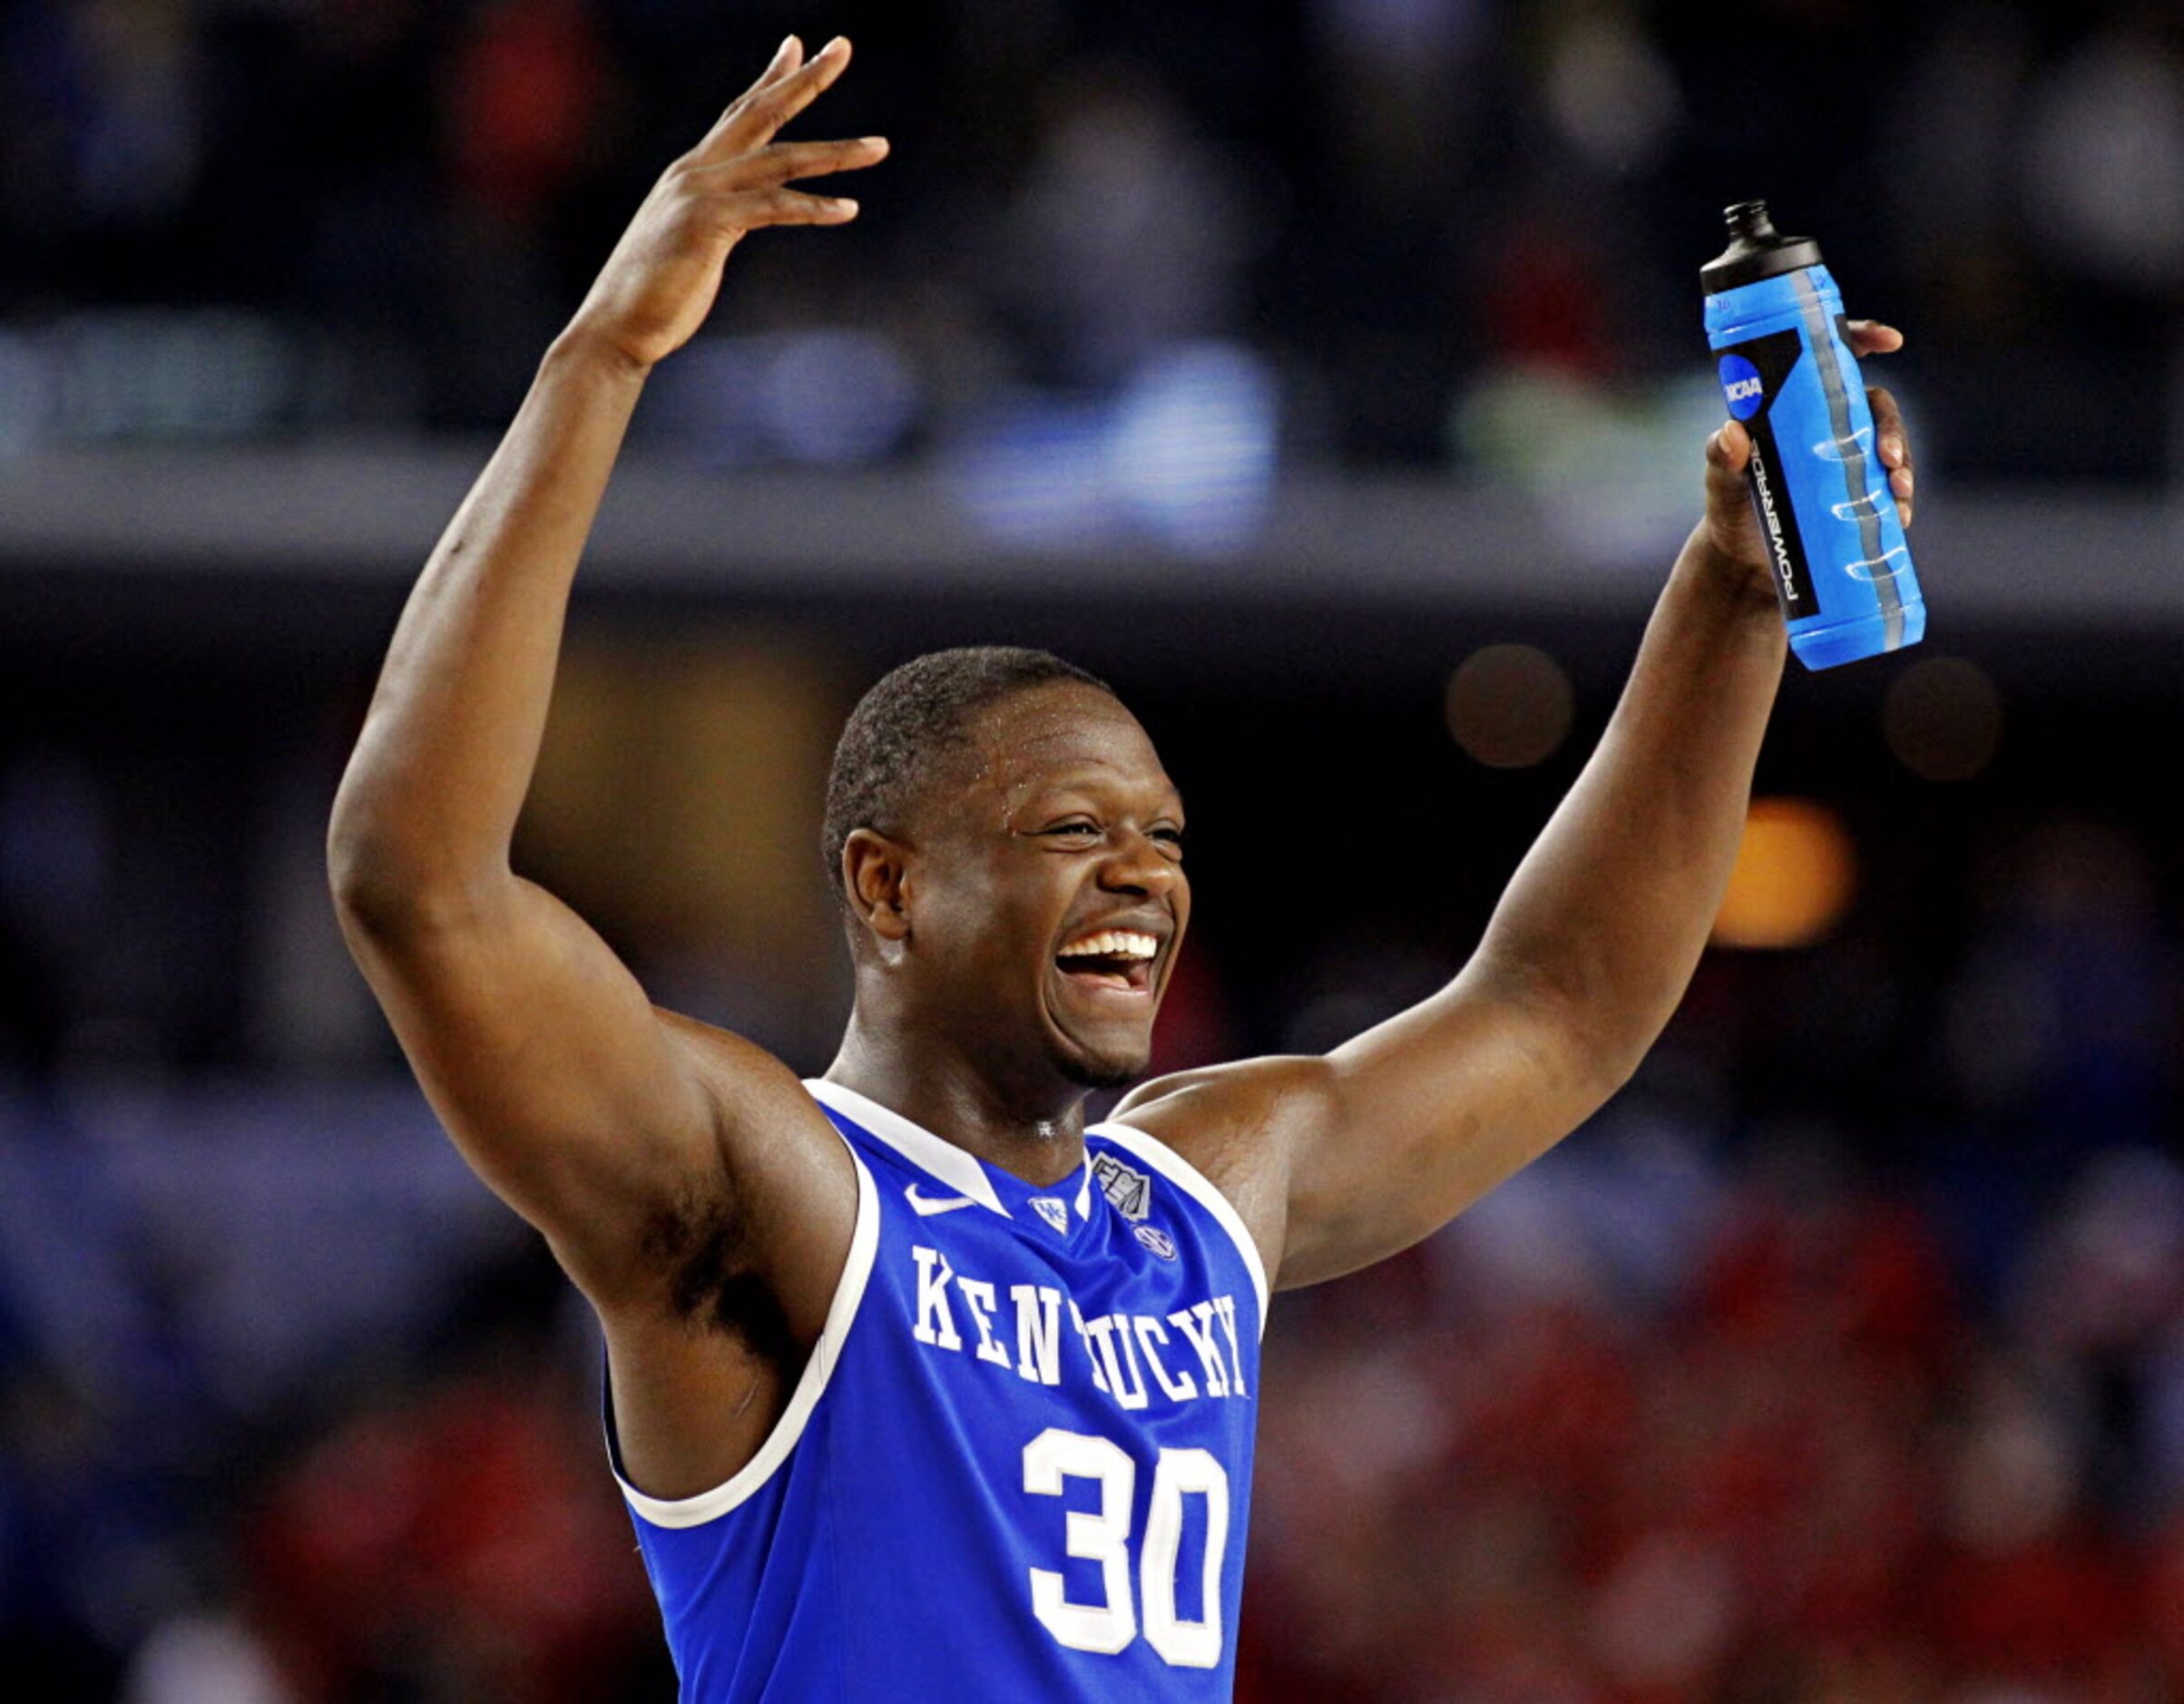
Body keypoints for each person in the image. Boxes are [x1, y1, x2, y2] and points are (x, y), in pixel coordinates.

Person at [326, 34, 1918, 1703]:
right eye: (1075, 832)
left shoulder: (1203, 1193)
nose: (1146, 881)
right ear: (887, 887)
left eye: (1162, 838)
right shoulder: (770, 1190)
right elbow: (415, 880)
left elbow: (1565, 1002)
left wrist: (1732, 603)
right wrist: (601, 358)